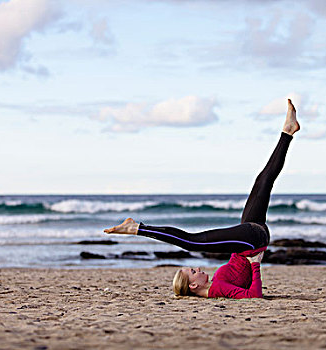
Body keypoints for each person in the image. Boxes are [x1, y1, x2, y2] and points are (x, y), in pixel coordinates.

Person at [104, 99, 300, 299]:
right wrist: (256, 264)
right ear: (194, 285)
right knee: (191, 242)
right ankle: (137, 228)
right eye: (193, 272)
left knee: (263, 182)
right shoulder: (217, 289)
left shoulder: (217, 282)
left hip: (250, 238)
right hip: (251, 242)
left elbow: (240, 275)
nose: (197, 268)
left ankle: (288, 132)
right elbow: (254, 296)